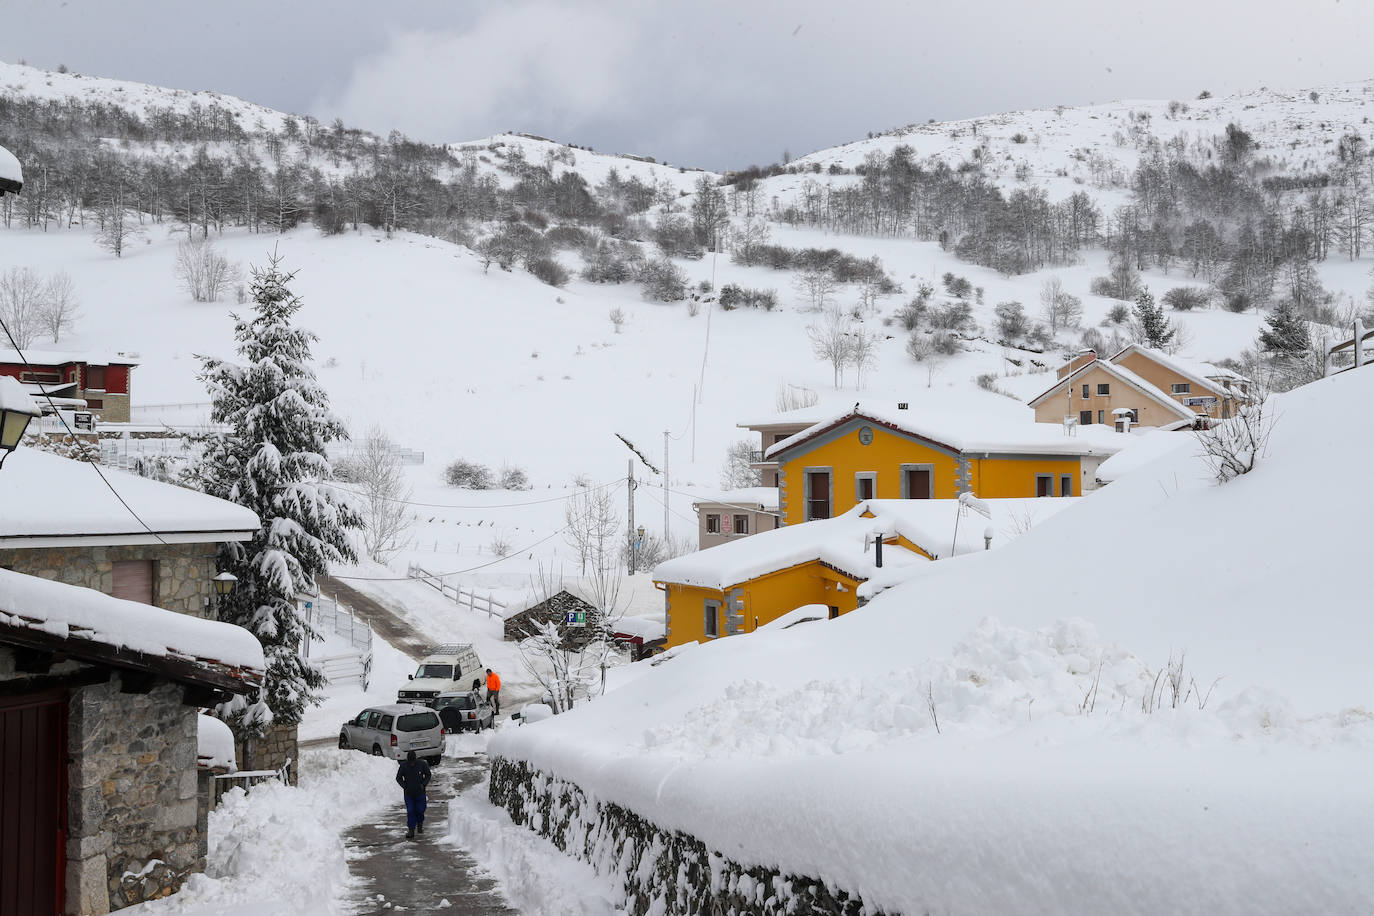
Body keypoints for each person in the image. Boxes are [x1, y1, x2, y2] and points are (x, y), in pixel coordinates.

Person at [395, 750, 431, 840]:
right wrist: (405, 786)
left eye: (413, 762)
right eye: (410, 762)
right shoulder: (403, 766)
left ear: (415, 760)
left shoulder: (422, 764)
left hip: (420, 793)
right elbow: (398, 778)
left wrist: (423, 784)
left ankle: (420, 824)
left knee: (420, 810)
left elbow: (428, 775)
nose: (411, 764)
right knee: (411, 811)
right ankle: (411, 830)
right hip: (409, 794)